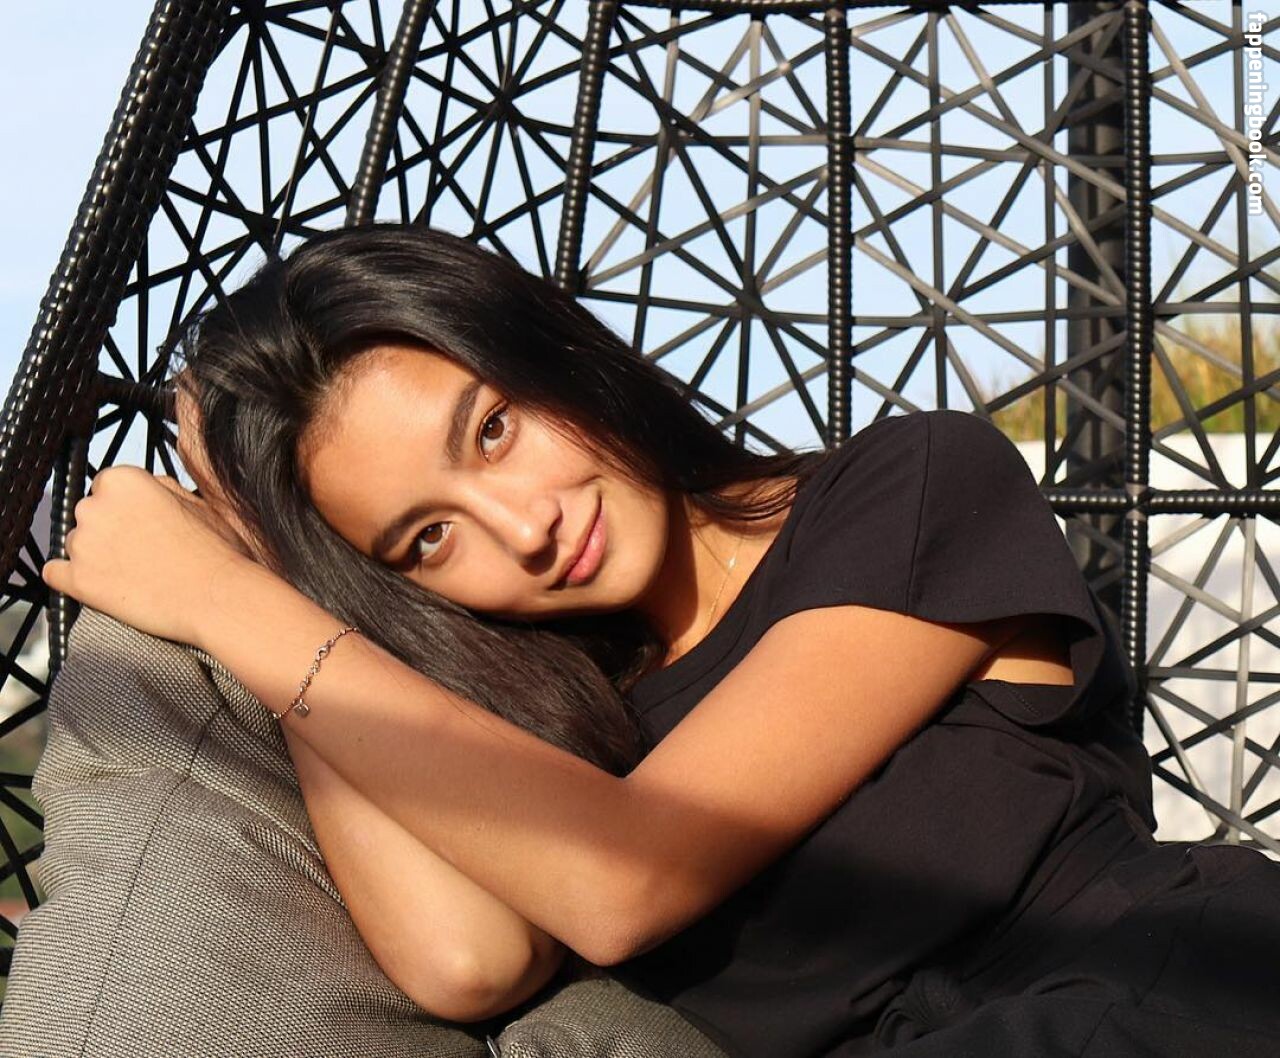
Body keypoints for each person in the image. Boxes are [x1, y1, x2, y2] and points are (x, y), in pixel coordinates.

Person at [41, 224, 1280, 1057]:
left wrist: (227, 603)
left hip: (1167, 997)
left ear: (553, 350)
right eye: (425, 539)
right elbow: (466, 959)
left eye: (492, 429)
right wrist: (286, 579)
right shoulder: (551, 725)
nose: (523, 527)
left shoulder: (908, 491)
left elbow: (624, 878)